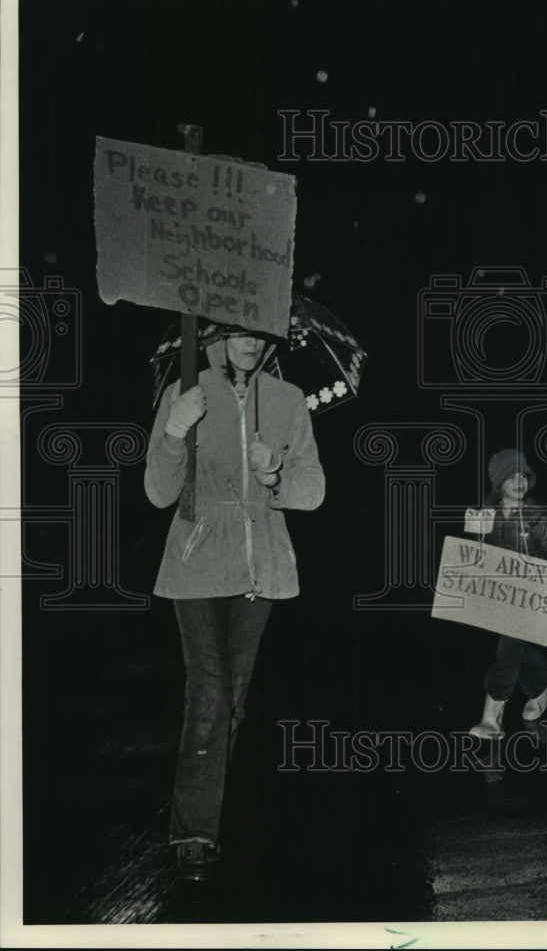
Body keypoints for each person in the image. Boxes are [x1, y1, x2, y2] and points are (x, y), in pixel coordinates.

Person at [144, 324, 325, 881]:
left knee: (234, 699)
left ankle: (206, 804)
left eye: (260, 332)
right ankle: (194, 831)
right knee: (211, 692)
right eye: (238, 331)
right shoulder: (187, 390)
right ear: (216, 335)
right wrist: (175, 432)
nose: (251, 342)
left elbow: (314, 489)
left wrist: (273, 475)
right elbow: (158, 492)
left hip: (260, 566)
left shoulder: (288, 400)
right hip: (198, 563)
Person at [468, 449, 547, 740]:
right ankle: (541, 689)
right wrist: (477, 532)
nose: (519, 481)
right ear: (499, 483)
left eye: (523, 475)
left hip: (537, 598)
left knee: (509, 649)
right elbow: (480, 556)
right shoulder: (488, 514)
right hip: (505, 596)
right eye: (511, 477)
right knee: (516, 647)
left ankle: (491, 718)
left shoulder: (536, 520)